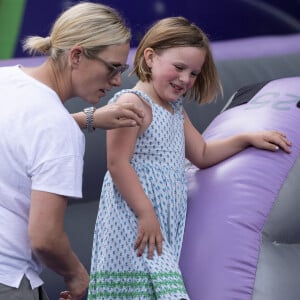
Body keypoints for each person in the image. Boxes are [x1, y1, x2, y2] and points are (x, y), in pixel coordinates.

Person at [88, 16, 292, 300]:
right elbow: (118, 163)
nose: (185, 79)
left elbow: (203, 154)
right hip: (133, 221)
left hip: (161, 222)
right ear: (150, 58)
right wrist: (146, 213)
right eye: (179, 67)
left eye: (193, 73)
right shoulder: (132, 104)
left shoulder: (174, 109)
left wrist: (246, 138)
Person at [0, 2, 145, 300]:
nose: (117, 81)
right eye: (113, 68)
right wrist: (76, 275)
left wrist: (86, 118)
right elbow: (45, 237)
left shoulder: (6, 80)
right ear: (76, 55)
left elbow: (20, 134)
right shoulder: (56, 129)